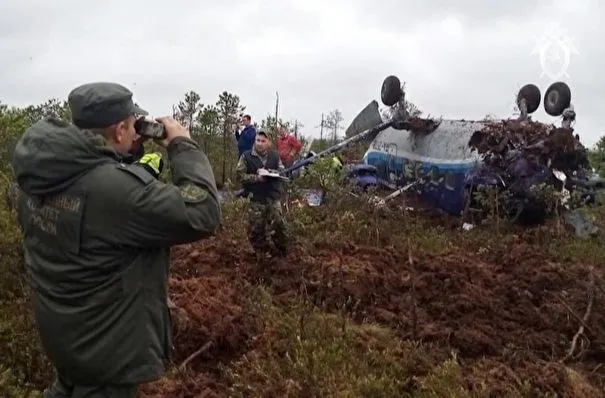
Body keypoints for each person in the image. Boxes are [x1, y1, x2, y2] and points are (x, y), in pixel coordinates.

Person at [10, 81, 221, 398]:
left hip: (68, 348)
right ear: (121, 130)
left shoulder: (37, 178)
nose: (138, 134)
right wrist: (182, 145)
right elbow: (202, 211)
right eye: (134, 126)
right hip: (107, 360)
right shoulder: (116, 191)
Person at [235, 129, 289, 259]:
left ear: (268, 143)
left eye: (263, 141)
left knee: (279, 223)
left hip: (273, 196)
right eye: (257, 140)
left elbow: (282, 172)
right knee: (256, 228)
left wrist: (270, 173)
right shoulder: (246, 156)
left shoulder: (275, 156)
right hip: (256, 198)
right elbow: (240, 175)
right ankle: (261, 253)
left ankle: (281, 252)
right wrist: (257, 178)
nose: (259, 143)